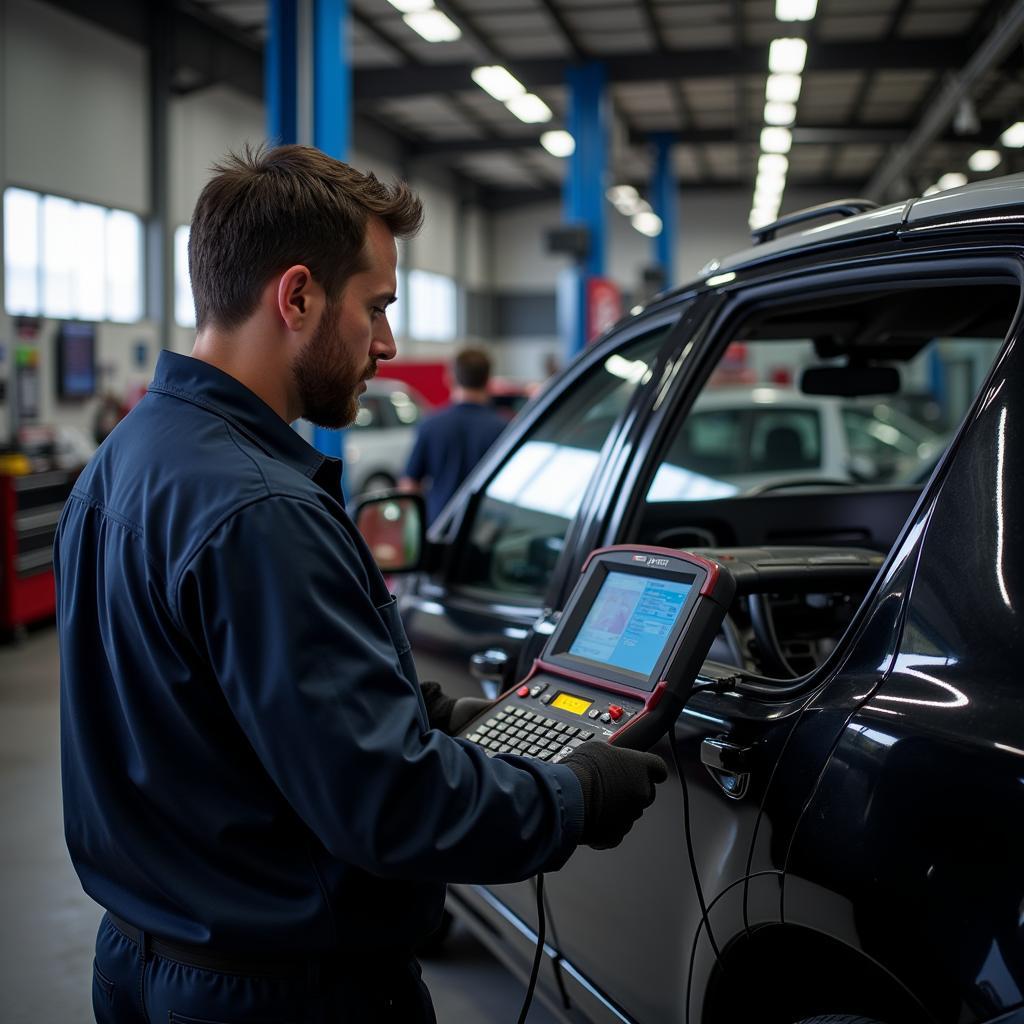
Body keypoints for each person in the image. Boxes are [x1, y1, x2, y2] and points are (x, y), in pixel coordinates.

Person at [55, 144, 667, 1024]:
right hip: (281, 996)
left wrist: (432, 718)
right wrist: (574, 797)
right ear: (297, 296)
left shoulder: (126, 460)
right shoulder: (259, 509)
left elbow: (216, 710)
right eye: (376, 307)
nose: (386, 342)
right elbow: (386, 805)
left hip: (143, 963)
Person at [400, 347, 507, 524]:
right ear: (488, 379)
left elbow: (409, 486)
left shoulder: (431, 424)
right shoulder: (504, 428)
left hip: (438, 526)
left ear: (450, 378)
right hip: (485, 530)